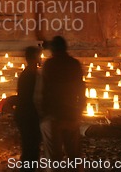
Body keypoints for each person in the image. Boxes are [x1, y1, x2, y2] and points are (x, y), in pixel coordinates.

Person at [35, 36, 86, 171]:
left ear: (52, 50)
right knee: (74, 156)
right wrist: (79, 111)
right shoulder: (74, 64)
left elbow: (41, 92)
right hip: (71, 115)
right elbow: (81, 90)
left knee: (53, 158)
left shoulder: (49, 65)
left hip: (53, 117)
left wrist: (42, 115)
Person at [15, 46, 42, 171]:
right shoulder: (29, 75)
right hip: (28, 116)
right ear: (34, 58)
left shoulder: (31, 73)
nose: (41, 58)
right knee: (30, 148)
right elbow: (30, 97)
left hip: (28, 114)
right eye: (39, 56)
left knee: (32, 148)